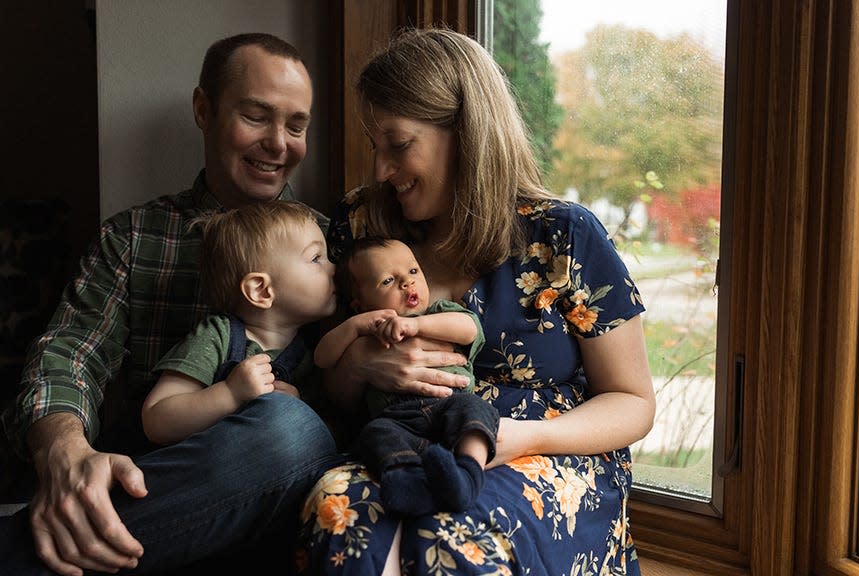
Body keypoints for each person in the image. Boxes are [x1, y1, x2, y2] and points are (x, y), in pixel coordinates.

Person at [296, 27, 656, 575]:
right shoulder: (361, 228)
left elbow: (633, 401)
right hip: (404, 442)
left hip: (546, 454)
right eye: (376, 148)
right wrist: (359, 362)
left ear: (465, 132)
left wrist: (525, 436)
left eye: (398, 145)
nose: (381, 171)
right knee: (337, 514)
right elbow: (325, 386)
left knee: (451, 541)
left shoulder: (562, 236)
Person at [0, 33, 339, 576]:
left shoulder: (330, 247)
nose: (279, 144)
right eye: (256, 116)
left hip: (278, 493)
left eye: (296, 125)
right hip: (155, 484)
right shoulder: (134, 237)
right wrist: (63, 450)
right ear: (204, 109)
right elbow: (70, 352)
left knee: (290, 429)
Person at [314, 236, 498, 516]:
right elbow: (322, 358)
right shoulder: (365, 331)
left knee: (477, 411)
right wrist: (354, 327)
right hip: (397, 419)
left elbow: (470, 328)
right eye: (388, 281)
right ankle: (409, 484)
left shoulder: (437, 313)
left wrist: (417, 326)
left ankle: (467, 475)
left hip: (449, 402)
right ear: (359, 303)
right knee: (375, 434)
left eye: (413, 271)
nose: (407, 283)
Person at [141, 201, 337, 446]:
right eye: (317, 258)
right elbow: (156, 420)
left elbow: (332, 436)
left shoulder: (314, 353)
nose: (334, 269)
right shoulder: (217, 337)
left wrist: (299, 411)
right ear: (261, 290)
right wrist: (231, 393)